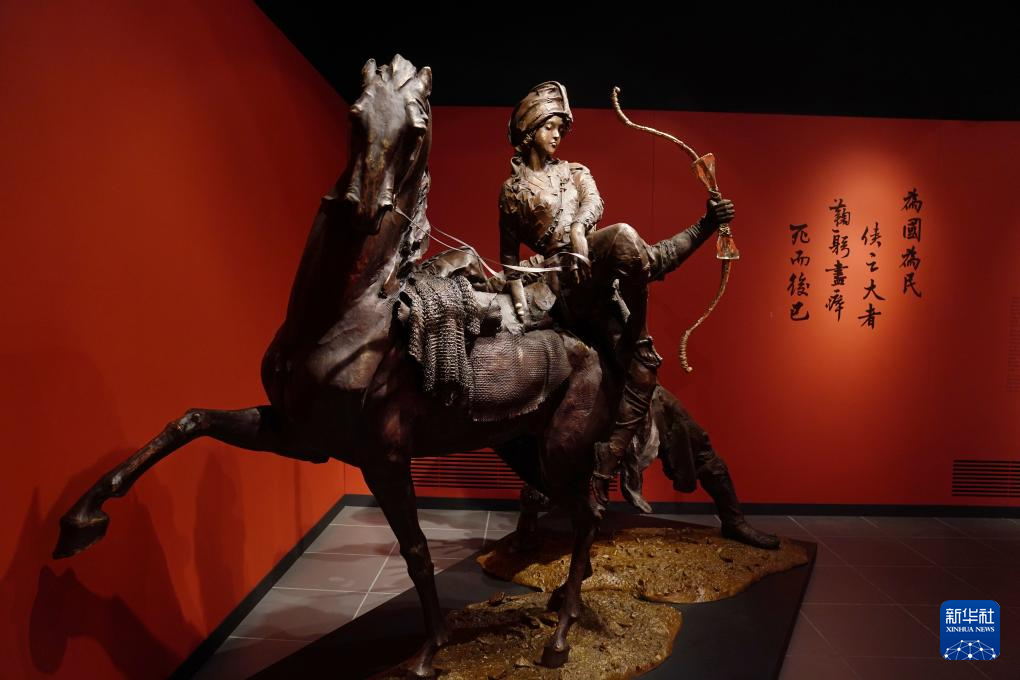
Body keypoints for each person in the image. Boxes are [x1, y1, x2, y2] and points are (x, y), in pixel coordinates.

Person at [499, 81, 734, 515]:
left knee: (648, 378)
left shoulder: (576, 172)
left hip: (599, 287)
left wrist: (705, 224)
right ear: (529, 131)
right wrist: (518, 302)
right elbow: (510, 262)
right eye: (550, 127)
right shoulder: (512, 193)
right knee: (626, 243)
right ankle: (634, 341)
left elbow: (597, 207)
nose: (557, 135)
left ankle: (610, 461)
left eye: (561, 128)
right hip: (559, 291)